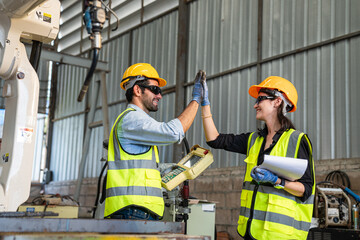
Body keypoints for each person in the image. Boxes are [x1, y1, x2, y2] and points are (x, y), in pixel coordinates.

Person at [201, 76, 315, 240]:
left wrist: (277, 181)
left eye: (260, 99)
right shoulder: (254, 139)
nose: (255, 105)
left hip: (279, 235)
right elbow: (215, 139)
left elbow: (306, 189)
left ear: (277, 101)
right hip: (252, 231)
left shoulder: (297, 140)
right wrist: (205, 105)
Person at [104, 63, 207, 220]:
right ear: (137, 90)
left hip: (135, 211)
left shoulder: (134, 121)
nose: (159, 95)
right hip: (133, 212)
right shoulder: (132, 119)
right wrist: (196, 100)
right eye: (155, 90)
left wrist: (161, 171)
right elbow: (173, 132)